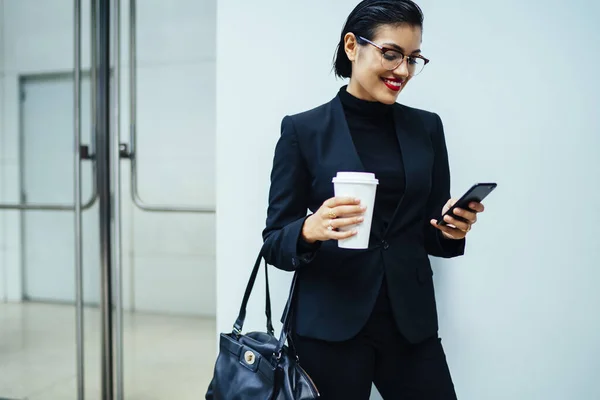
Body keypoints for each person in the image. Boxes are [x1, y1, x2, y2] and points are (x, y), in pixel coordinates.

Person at [262, 1, 486, 398]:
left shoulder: (427, 128)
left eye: (413, 58)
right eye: (391, 53)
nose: (403, 70)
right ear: (352, 46)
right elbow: (274, 243)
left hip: (410, 324)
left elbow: (431, 232)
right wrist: (309, 229)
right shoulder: (303, 130)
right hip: (329, 327)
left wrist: (452, 230)